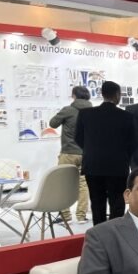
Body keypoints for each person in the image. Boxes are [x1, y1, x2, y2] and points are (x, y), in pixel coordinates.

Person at [75, 81, 136, 225]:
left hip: (93, 165)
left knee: (97, 203)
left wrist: (91, 150)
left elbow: (78, 138)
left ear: (102, 94)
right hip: (118, 166)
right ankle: (115, 232)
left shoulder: (85, 114)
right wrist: (124, 156)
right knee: (117, 202)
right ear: (117, 95)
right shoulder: (127, 116)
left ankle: (99, 232)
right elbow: (134, 143)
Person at [48, 86, 92, 224]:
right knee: (83, 184)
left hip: (68, 152)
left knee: (63, 183)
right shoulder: (93, 111)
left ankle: (66, 216)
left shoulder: (68, 110)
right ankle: (81, 216)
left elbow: (52, 124)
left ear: (74, 96)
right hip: (86, 153)